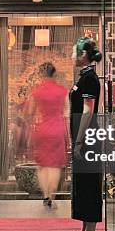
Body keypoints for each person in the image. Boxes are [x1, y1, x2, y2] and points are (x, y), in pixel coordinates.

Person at [66, 37, 103, 231]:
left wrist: (79, 142)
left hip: (88, 139)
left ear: (82, 55)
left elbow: (88, 112)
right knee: (82, 183)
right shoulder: (84, 77)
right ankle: (84, 229)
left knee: (88, 184)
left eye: (74, 52)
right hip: (82, 138)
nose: (72, 56)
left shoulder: (90, 79)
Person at [28, 62, 69, 209]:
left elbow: (31, 111)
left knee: (42, 165)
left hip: (42, 128)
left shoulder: (37, 91)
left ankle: (45, 195)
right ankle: (52, 195)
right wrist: (68, 135)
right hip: (57, 128)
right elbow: (66, 113)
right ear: (54, 74)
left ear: (42, 74)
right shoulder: (62, 91)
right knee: (55, 165)